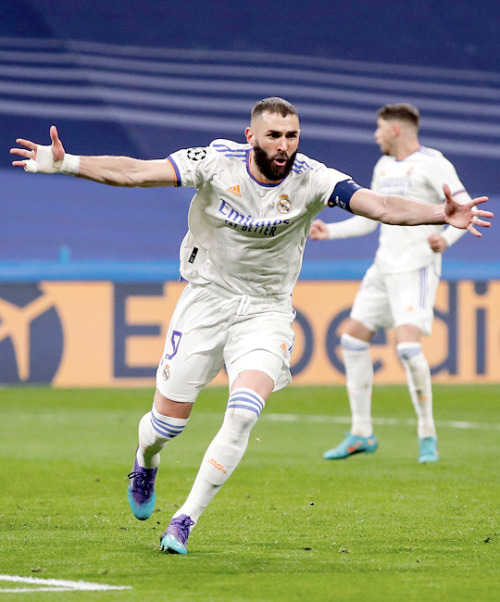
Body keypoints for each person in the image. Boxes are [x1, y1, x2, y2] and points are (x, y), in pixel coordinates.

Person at [11, 98, 492, 554]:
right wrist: (68, 163)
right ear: (251, 137)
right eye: (274, 135)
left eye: (292, 135)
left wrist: (438, 214)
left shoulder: (314, 179)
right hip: (206, 302)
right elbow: (138, 173)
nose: (285, 145)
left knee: (243, 411)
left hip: (266, 311)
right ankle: (145, 462)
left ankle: (185, 519)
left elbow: (380, 206)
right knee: (164, 427)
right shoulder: (214, 163)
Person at [309, 102, 480, 464]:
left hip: (415, 267)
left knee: (406, 349)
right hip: (383, 267)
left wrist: (445, 239)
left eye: (379, 128)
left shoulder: (434, 163)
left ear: (395, 130)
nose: (375, 134)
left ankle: (427, 434)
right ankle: (360, 433)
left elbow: (465, 210)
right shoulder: (384, 166)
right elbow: (372, 218)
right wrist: (331, 232)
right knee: (352, 340)